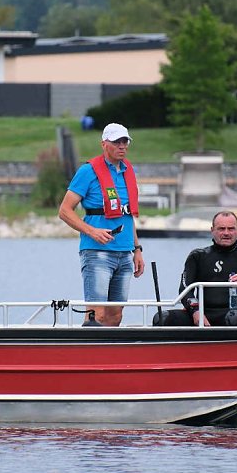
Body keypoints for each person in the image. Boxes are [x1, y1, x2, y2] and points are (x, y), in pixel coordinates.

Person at [58, 122, 145, 326]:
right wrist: (92, 231)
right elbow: (64, 211)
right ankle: (87, 355)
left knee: (116, 315)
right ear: (104, 144)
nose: (122, 146)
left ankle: (111, 356)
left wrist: (137, 249)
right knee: (96, 314)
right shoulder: (88, 171)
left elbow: (127, 215)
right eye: (117, 142)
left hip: (125, 253)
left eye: (125, 141)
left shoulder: (127, 171)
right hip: (97, 252)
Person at [154, 211, 237, 327]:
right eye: (221, 229)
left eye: (231, 229)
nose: (226, 233)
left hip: (232, 315)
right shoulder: (197, 256)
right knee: (161, 317)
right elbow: (185, 289)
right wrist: (195, 311)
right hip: (200, 313)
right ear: (212, 230)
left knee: (236, 318)